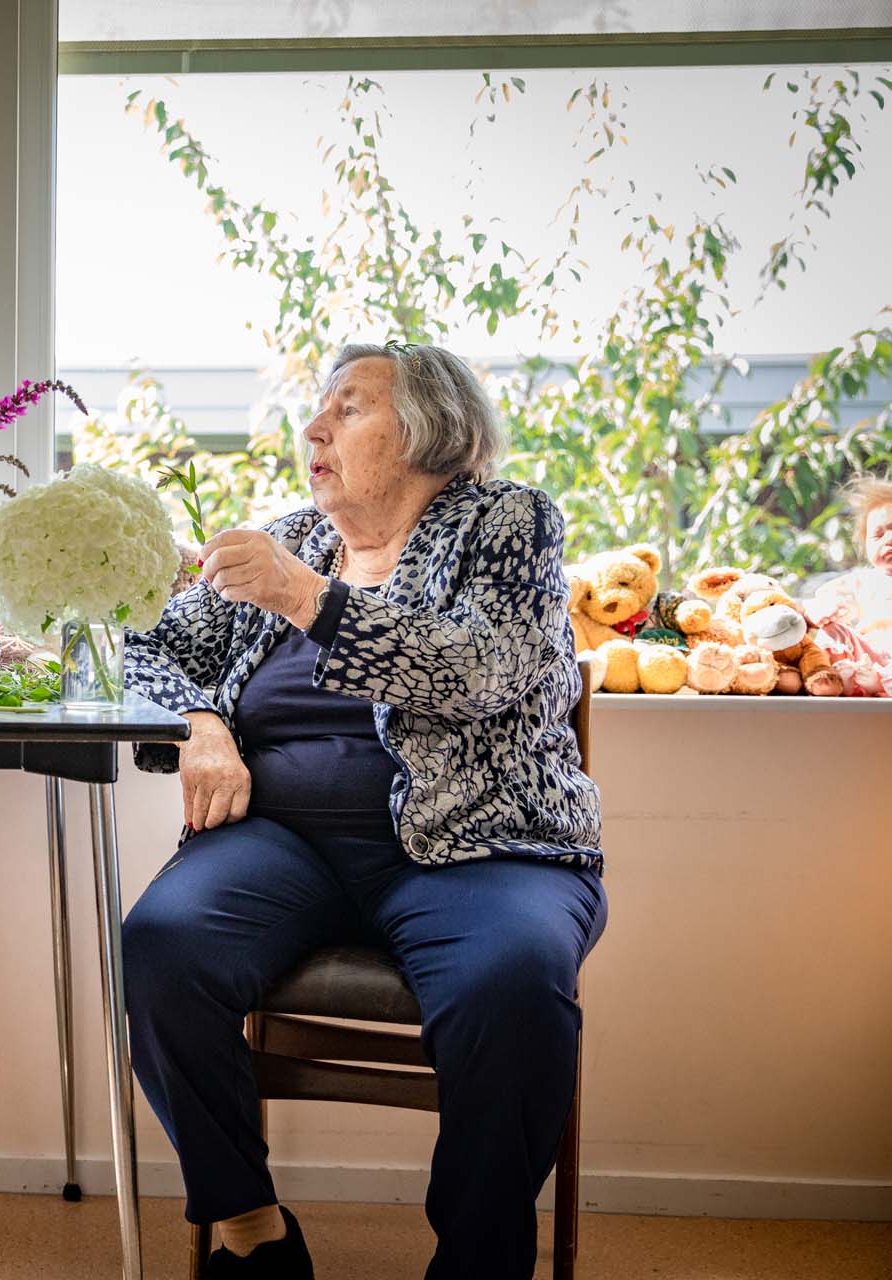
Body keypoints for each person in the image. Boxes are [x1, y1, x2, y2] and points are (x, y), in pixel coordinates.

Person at [123, 342, 605, 1280]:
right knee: (162, 946)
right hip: (280, 843)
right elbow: (145, 647)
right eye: (319, 408)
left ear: (429, 428)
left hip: (480, 843)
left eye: (347, 409)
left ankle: (477, 1261)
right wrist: (200, 723)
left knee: (514, 984)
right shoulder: (290, 535)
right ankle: (251, 1227)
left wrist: (307, 599)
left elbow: (480, 673)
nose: (314, 428)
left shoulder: (507, 522)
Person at [808, 473, 892, 667]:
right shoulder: (860, 582)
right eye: (877, 535)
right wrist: (824, 610)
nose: (888, 540)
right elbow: (825, 598)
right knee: (831, 628)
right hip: (868, 660)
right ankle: (830, 674)